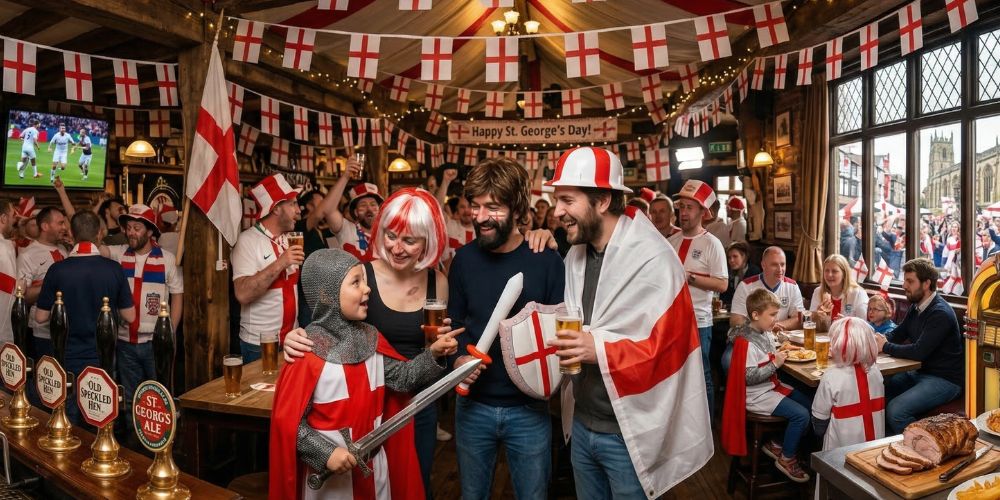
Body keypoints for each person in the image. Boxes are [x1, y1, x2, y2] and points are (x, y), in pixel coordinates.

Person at [547, 147, 712, 498]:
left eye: (566, 200)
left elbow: (670, 352)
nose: (557, 211)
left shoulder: (654, 261)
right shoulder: (575, 254)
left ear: (602, 200)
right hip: (581, 423)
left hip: (628, 432)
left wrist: (598, 348)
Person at [283, 188, 457, 498]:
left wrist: (437, 351)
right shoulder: (360, 276)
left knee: (412, 484)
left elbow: (407, 373)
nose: (397, 247)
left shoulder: (437, 280)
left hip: (414, 396)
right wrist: (297, 335)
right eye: (391, 235)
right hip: (363, 403)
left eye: (410, 240)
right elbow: (325, 320)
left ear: (426, 242)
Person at [449, 157, 565, 500]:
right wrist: (457, 361)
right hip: (473, 409)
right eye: (476, 206)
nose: (481, 216)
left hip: (529, 410)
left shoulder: (545, 259)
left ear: (516, 208)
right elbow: (454, 324)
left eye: (493, 207)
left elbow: (561, 333)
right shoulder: (464, 260)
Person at [35, 211, 134, 425]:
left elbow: (41, 316)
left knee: (68, 414)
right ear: (99, 234)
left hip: (67, 355)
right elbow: (130, 315)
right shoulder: (114, 269)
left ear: (72, 232)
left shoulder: (57, 269)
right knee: (100, 415)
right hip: (103, 355)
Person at [103, 204, 183, 429]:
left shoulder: (167, 259)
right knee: (131, 398)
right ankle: (134, 447)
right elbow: (94, 248)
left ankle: (162, 446)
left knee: (161, 395)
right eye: (128, 227)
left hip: (154, 343)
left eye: (137, 228)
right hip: (125, 341)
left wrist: (170, 334)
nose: (130, 232)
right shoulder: (119, 253)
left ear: (150, 231)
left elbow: (178, 296)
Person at [722, 289, 811, 483]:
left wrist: (781, 345)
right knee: (801, 415)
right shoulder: (746, 342)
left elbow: (768, 348)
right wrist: (775, 364)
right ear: (755, 315)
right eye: (772, 315)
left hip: (770, 387)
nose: (775, 319)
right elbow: (748, 377)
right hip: (756, 396)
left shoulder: (761, 331)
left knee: (809, 403)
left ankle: (777, 444)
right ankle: (787, 458)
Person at [876, 258, 963, 434]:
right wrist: (876, 339)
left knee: (896, 411)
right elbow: (898, 334)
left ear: (926, 284)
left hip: (945, 380)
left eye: (910, 281)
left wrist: (884, 346)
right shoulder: (916, 307)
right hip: (918, 372)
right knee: (878, 393)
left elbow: (918, 352)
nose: (904, 286)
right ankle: (886, 446)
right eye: (904, 280)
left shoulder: (940, 313)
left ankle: (921, 451)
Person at [668, 179, 728, 417]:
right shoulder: (671, 241)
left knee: (702, 373)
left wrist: (689, 277)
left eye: (689, 207)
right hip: (671, 321)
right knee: (675, 374)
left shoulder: (712, 244)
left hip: (698, 321)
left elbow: (722, 284)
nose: (683, 212)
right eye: (681, 207)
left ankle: (707, 424)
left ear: (703, 212)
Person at [232, 173, 304, 362]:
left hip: (291, 339)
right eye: (293, 204)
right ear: (276, 209)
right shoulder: (247, 241)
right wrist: (281, 262)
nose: (299, 210)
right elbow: (243, 294)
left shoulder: (289, 239)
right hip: (260, 344)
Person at [811, 317, 885, 499]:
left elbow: (819, 420)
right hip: (874, 449)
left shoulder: (831, 376)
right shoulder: (876, 372)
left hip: (839, 450)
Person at [16, 207, 70, 358]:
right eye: (60, 223)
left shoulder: (64, 250)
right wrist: (51, 283)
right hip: (42, 333)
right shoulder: (28, 255)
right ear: (45, 226)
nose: (64, 227)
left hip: (68, 329)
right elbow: (23, 297)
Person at [729, 246, 803, 330]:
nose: (780, 269)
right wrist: (764, 329)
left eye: (782, 264)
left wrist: (776, 326)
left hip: (781, 338)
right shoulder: (745, 286)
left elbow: (799, 319)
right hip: (752, 339)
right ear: (763, 265)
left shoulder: (792, 286)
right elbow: (735, 321)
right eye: (774, 265)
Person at [809, 254, 869, 331]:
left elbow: (865, 326)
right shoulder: (818, 292)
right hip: (824, 340)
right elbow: (811, 324)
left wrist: (848, 324)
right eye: (826, 271)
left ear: (844, 274)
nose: (829, 275)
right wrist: (816, 317)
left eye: (834, 271)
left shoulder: (858, 293)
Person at [337, 182, 384, 259]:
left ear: (379, 210)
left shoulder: (388, 234)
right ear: (356, 212)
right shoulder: (347, 230)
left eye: (373, 204)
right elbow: (329, 211)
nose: (369, 209)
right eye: (363, 205)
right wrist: (345, 178)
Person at [722, 241, 760, 309]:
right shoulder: (728, 273)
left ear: (744, 256)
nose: (731, 260)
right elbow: (724, 297)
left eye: (735, 256)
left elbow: (753, 299)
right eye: (729, 257)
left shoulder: (754, 272)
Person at [0, 198, 17, 343]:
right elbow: (9, 291)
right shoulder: (3, 249)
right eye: (13, 216)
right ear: (3, 218)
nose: (15, 221)